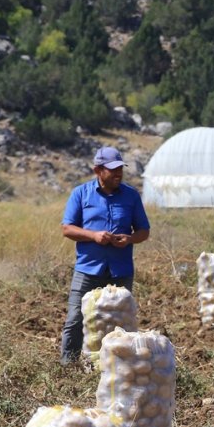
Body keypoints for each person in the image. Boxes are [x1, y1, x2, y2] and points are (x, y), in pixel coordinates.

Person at [60, 146, 150, 365]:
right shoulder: (81, 194)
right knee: (75, 319)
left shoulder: (131, 196)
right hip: (88, 269)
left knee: (120, 322)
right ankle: (68, 367)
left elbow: (143, 231)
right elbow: (67, 228)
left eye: (120, 168)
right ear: (97, 170)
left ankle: (119, 367)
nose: (118, 173)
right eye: (112, 170)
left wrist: (128, 239)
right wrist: (94, 236)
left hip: (120, 271)